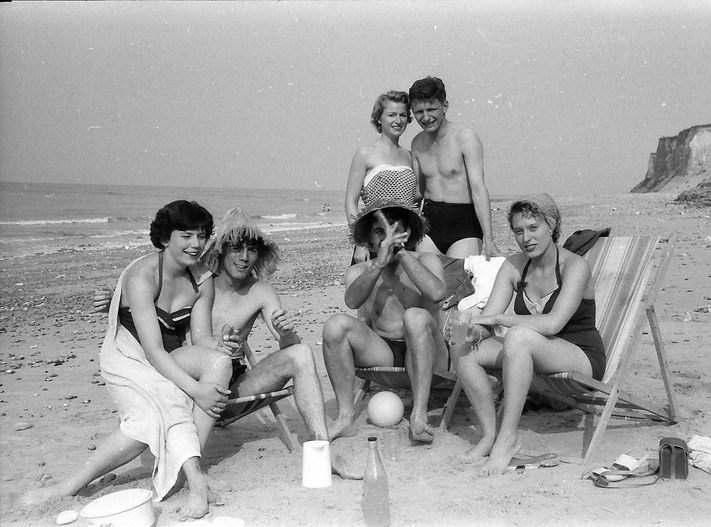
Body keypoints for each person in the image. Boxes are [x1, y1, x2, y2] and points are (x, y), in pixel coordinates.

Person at [90, 208, 362, 476]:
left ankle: (322, 451)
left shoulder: (261, 291)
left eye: (252, 250)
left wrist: (286, 332)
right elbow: (154, 313)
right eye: (236, 248)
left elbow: (287, 344)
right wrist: (115, 302)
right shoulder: (194, 280)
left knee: (301, 353)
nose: (244, 257)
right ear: (221, 249)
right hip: (186, 385)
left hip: (232, 386)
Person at [21, 200, 236, 518]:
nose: (196, 244)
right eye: (186, 235)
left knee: (220, 362)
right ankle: (71, 485)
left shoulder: (202, 279)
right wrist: (195, 390)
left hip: (168, 354)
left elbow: (200, 337)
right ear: (166, 238)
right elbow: (152, 350)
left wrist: (219, 344)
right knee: (148, 421)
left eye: (202, 236)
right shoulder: (142, 276)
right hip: (127, 358)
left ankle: (191, 469)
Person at [455, 194, 606, 476]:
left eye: (533, 228)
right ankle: (489, 435)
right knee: (463, 348)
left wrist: (499, 319)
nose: (526, 238)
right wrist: (469, 328)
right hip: (532, 349)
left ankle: (508, 438)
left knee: (518, 336)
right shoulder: (514, 266)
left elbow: (552, 325)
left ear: (552, 225)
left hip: (580, 354)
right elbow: (488, 317)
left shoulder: (575, 267)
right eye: (518, 231)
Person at [322, 199, 448, 442]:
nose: (388, 238)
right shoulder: (360, 271)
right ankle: (345, 417)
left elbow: (437, 293)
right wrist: (379, 264)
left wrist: (401, 254)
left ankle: (419, 417)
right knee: (335, 325)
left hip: (430, 350)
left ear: (407, 233)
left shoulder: (426, 261)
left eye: (395, 230)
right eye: (381, 232)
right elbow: (352, 301)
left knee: (414, 316)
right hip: (383, 350)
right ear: (371, 238)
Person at [408, 76, 499, 259]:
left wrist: (489, 239)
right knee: (428, 282)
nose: (426, 117)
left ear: (445, 106)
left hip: (464, 223)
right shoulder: (417, 143)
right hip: (429, 223)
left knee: (457, 280)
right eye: (419, 112)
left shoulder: (465, 138)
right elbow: (417, 193)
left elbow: (478, 189)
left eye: (431, 109)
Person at [345, 90, 418, 263]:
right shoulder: (365, 153)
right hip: (375, 241)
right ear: (379, 118)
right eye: (391, 115)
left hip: (404, 240)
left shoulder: (410, 156)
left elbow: (416, 199)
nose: (398, 121)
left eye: (402, 115)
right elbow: (350, 201)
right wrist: (361, 244)